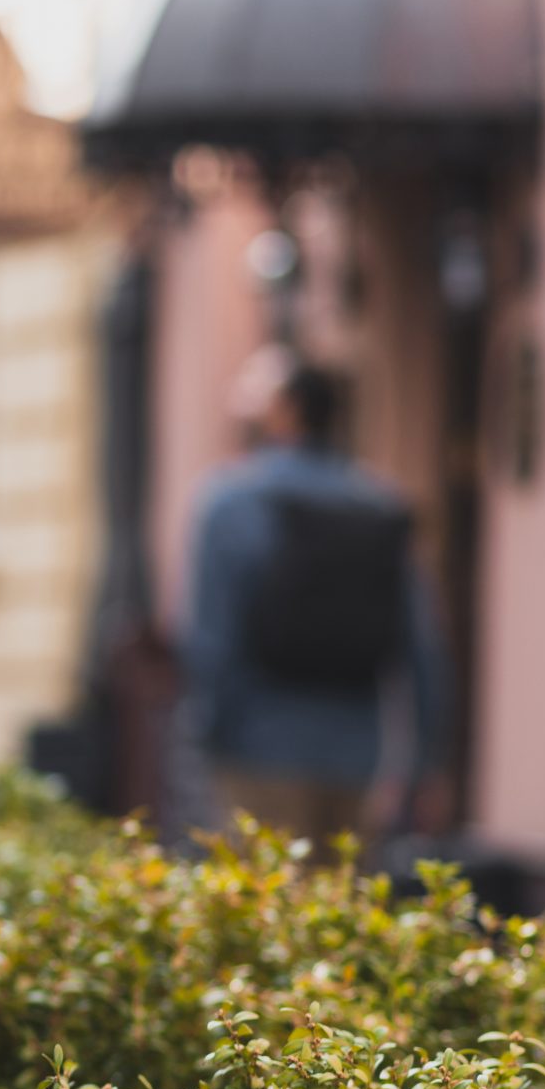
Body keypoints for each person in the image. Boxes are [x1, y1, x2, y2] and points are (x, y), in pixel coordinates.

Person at [182, 354, 447, 852]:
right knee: (338, 917)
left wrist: (204, 745)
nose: (240, 401)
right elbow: (422, 648)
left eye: (255, 389)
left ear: (288, 410)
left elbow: (209, 641)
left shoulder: (231, 503)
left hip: (257, 751)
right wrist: (424, 764)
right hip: (356, 757)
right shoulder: (379, 506)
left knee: (265, 911)